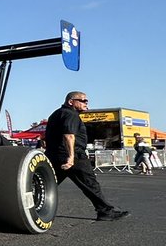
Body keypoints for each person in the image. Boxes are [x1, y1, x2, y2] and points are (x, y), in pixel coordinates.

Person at [44, 91, 129, 221]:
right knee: (90, 184)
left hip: (56, 155)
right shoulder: (70, 114)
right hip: (73, 156)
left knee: (47, 184)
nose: (86, 103)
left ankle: (26, 206)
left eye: (87, 101)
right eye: (83, 100)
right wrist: (71, 157)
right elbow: (69, 135)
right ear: (71, 102)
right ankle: (105, 211)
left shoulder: (57, 113)